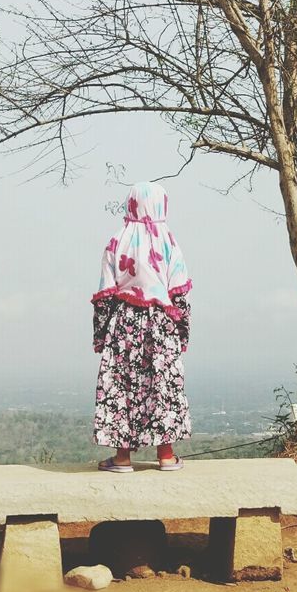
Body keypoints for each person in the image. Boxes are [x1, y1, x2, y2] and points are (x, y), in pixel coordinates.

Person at [91, 180, 192, 472]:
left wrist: (101, 337)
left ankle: (122, 458)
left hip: (124, 324)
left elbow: (104, 295)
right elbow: (180, 293)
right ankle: (166, 456)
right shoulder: (169, 242)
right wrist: (181, 333)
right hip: (162, 323)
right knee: (162, 385)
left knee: (121, 387)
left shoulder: (116, 241)